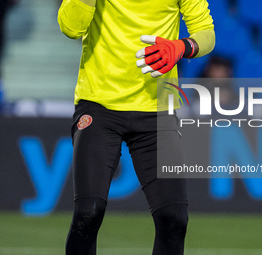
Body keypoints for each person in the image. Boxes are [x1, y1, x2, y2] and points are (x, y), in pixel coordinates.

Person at [57, 0, 215, 254]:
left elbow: (206, 33)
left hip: (157, 110)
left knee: (174, 219)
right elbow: (71, 28)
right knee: (88, 213)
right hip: (99, 104)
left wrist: (182, 47)